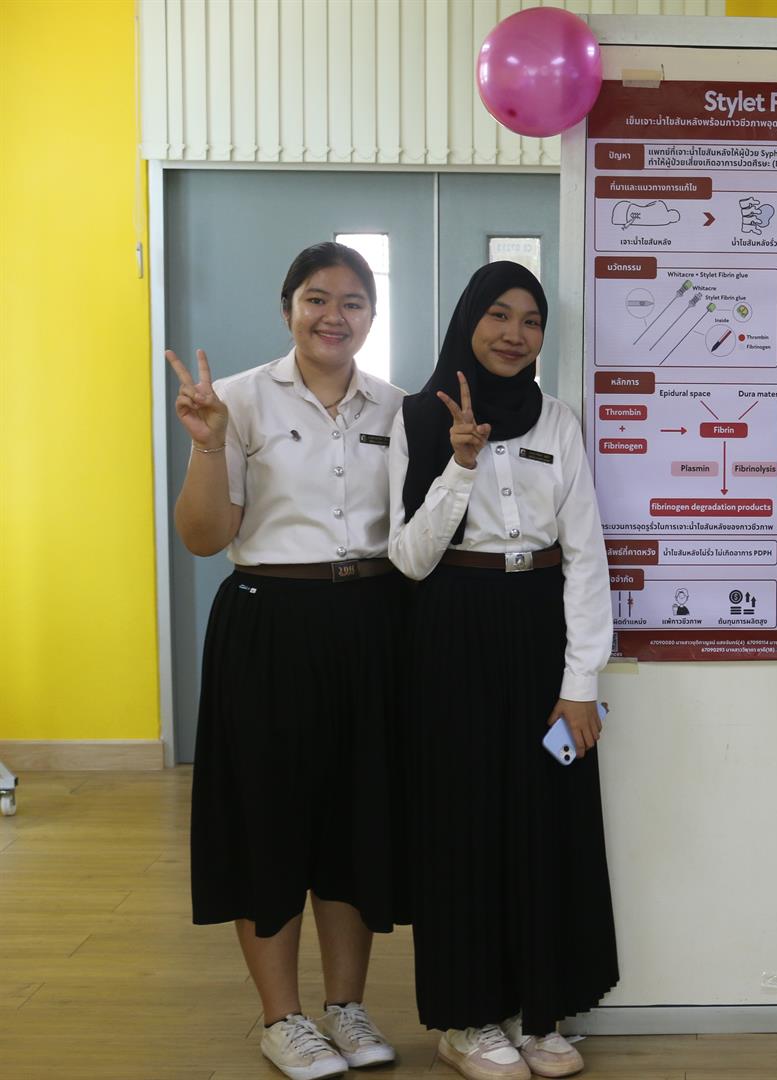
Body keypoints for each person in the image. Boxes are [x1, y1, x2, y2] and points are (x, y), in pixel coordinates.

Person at [172, 242, 410, 1079]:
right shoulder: (234, 400)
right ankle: (283, 1019)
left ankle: (346, 1007)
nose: (333, 316)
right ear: (288, 310)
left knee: (355, 820)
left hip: (372, 623)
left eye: (352, 302)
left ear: (371, 317)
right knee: (268, 823)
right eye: (316, 299)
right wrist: (208, 445)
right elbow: (204, 537)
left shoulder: (398, 408)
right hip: (269, 624)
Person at [388, 261, 616, 1080]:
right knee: (464, 825)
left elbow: (585, 554)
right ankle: (466, 1020)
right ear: (468, 320)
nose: (515, 334)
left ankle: (539, 1011)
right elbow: (408, 559)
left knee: (546, 819)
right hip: (453, 633)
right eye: (498, 314)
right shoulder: (418, 417)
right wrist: (459, 466)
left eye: (531, 319)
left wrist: (581, 684)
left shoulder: (558, 419)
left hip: (542, 630)